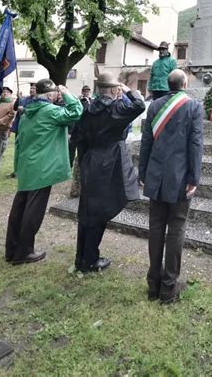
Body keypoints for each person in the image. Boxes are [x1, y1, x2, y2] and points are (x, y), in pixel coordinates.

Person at [139, 69, 204, 304]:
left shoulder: (155, 106)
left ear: (168, 84)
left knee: (156, 228)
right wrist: (194, 178)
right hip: (179, 177)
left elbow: (146, 141)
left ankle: (153, 284)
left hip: (156, 175)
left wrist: (143, 172)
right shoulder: (193, 107)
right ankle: (169, 287)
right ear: (185, 84)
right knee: (176, 228)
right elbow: (195, 144)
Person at [72, 72, 145, 273]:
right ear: (114, 90)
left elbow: (79, 137)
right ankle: (89, 260)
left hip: (91, 160)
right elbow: (139, 105)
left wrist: (85, 159)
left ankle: (82, 258)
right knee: (99, 212)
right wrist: (129, 90)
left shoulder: (87, 108)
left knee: (87, 211)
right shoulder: (116, 108)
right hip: (110, 162)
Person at [5, 79, 83, 265]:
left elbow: (19, 140)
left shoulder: (27, 112)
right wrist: (66, 93)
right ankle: (24, 252)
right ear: (49, 95)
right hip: (42, 169)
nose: (57, 95)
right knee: (33, 210)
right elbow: (76, 112)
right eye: (55, 92)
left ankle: (12, 249)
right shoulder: (50, 111)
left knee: (19, 208)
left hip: (26, 166)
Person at [7, 83, 37, 178]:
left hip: (29, 129)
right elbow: (16, 107)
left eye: (34, 88)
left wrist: (24, 109)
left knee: (27, 151)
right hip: (20, 128)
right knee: (18, 150)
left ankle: (24, 171)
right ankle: (16, 171)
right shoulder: (25, 99)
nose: (31, 89)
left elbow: (33, 113)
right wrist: (18, 98)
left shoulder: (38, 101)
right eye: (31, 88)